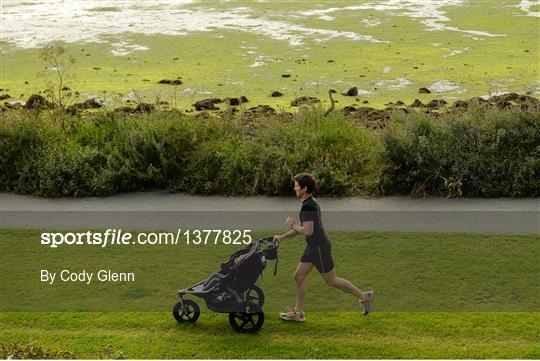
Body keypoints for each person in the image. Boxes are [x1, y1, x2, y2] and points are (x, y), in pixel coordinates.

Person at [273, 173, 374, 321]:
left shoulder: (309, 206)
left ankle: (365, 296)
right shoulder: (309, 203)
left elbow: (307, 231)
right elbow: (305, 228)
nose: (294, 188)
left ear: (304, 188)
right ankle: (299, 313)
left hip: (319, 248)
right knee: (299, 276)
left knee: (332, 280)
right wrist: (282, 237)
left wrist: (292, 224)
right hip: (312, 247)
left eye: (296, 185)